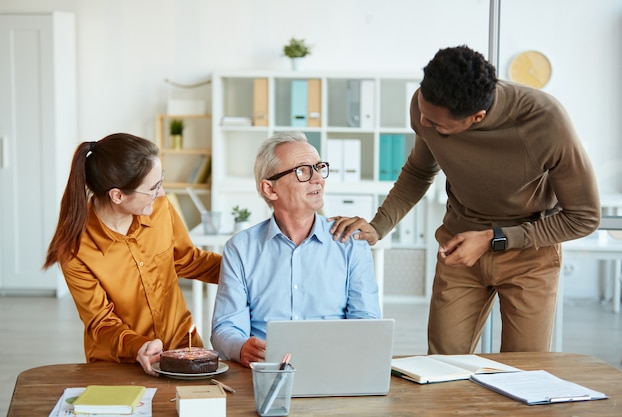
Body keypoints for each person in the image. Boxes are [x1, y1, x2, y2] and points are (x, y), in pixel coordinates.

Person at [330, 45, 601, 354]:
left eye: (436, 124)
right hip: (457, 246)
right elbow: (419, 171)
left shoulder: (546, 121)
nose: (424, 123)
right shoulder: (425, 108)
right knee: (442, 364)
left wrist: (492, 239)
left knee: (523, 370)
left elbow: (585, 217)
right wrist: (379, 226)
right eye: (422, 111)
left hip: (529, 252)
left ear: (477, 117)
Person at [43, 133, 221, 376]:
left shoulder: (159, 209)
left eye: (161, 181)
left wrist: (248, 269)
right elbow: (101, 323)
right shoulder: (75, 249)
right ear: (117, 195)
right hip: (121, 365)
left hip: (183, 349)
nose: (161, 194)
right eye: (152, 188)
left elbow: (187, 260)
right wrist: (139, 347)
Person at [211, 131, 381, 366]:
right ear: (270, 189)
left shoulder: (350, 242)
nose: (318, 179)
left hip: (335, 367)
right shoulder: (240, 249)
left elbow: (367, 322)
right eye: (303, 171)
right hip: (265, 371)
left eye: (319, 168)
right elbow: (225, 327)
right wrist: (241, 347)